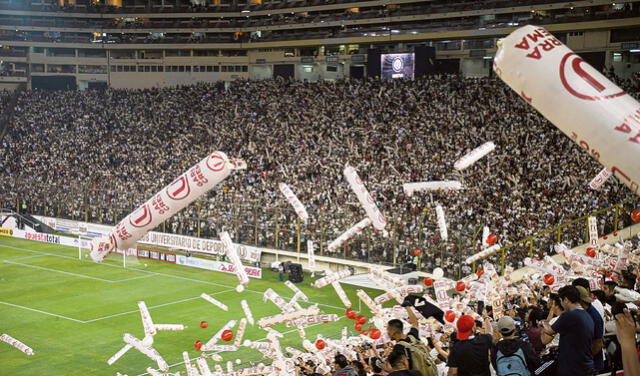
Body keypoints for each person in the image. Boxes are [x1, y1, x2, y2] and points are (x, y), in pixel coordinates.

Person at [541, 285, 594, 376]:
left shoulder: (570, 315)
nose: (561, 304)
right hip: (585, 364)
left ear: (566, 299)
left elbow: (549, 331)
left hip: (573, 367)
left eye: (561, 301)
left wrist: (543, 323)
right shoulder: (586, 314)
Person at [571, 280, 604, 372]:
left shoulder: (593, 316)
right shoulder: (582, 312)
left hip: (591, 365)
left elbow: (598, 344)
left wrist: (583, 359)